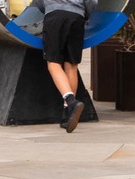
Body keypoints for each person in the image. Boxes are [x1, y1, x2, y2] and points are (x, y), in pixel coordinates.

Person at [32, 0, 97, 133]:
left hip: (55, 17)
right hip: (77, 19)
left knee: (53, 63)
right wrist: (86, 14)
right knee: (71, 65)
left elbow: (38, 4)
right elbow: (92, 3)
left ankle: (70, 100)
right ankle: (67, 113)